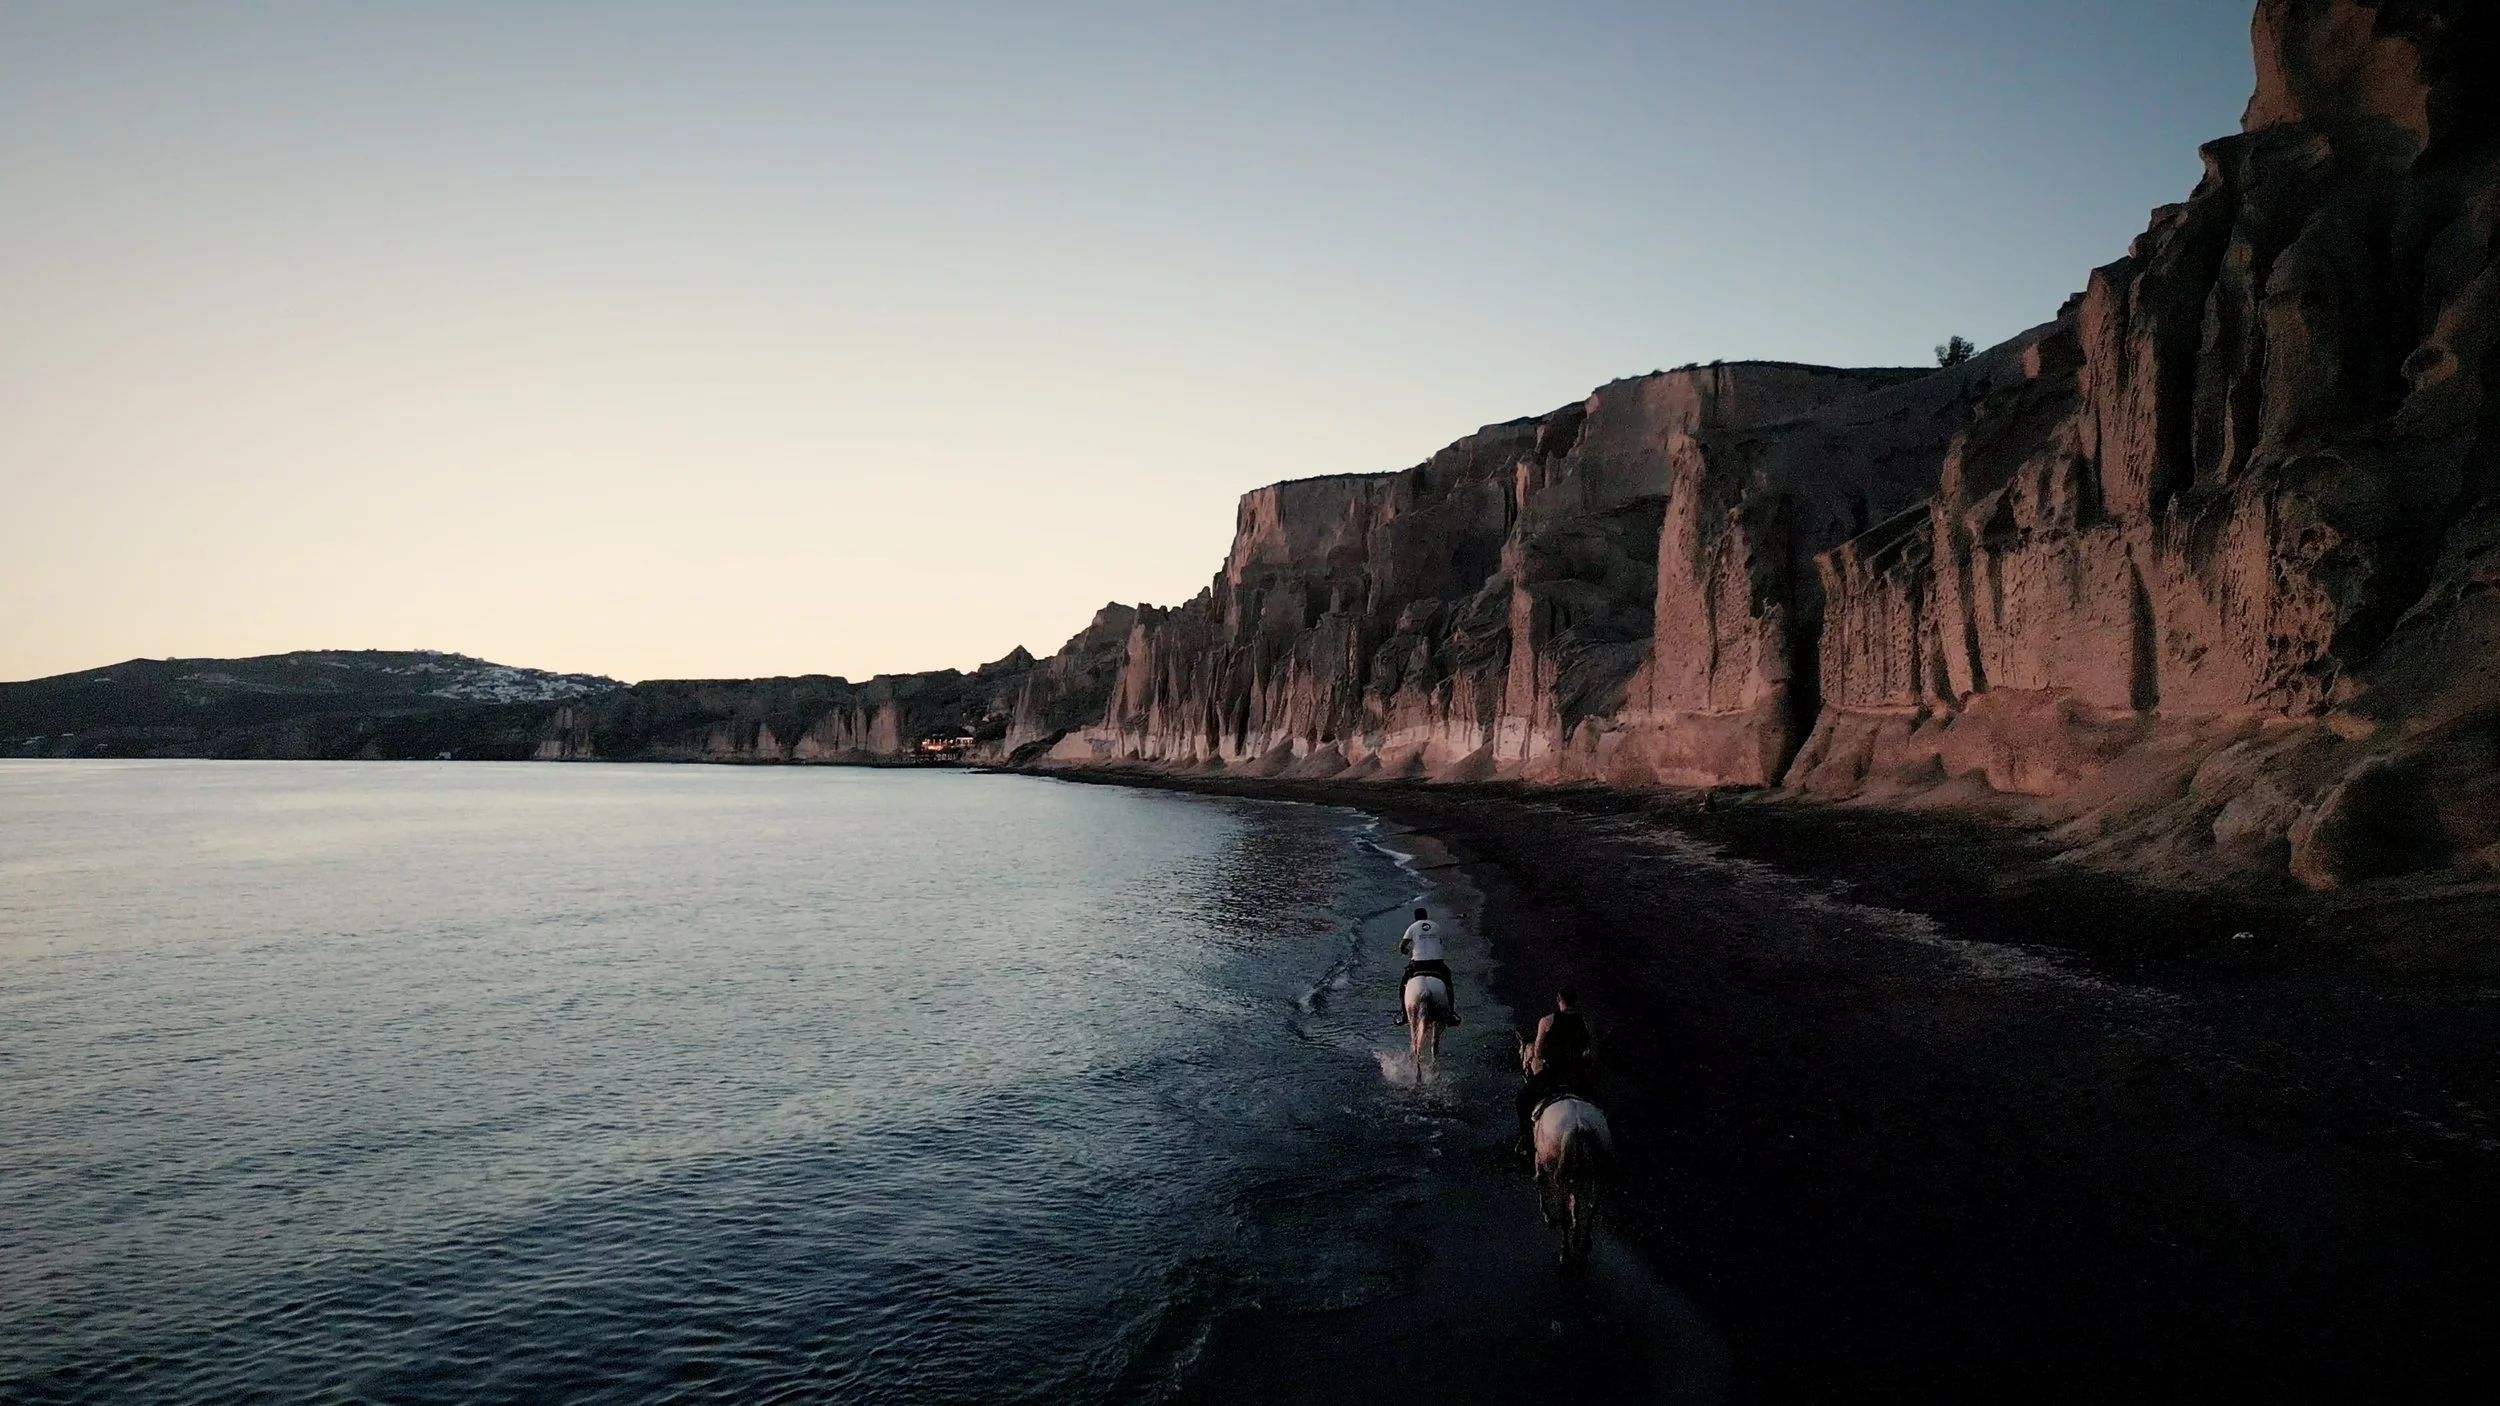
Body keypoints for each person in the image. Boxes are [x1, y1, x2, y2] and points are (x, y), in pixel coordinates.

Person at [1516, 987, 1594, 1147]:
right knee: (1599, 1102)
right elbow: (1592, 1051)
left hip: (1553, 1074)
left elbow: (1537, 1052)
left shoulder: (1546, 1021)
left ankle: (1526, 1140)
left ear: (1559, 1001)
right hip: (1578, 1074)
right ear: (1576, 1002)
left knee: (1522, 1099)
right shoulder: (1587, 1022)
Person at [1396, 906, 1460, 1026]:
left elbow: (1402, 945)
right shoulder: (1435, 926)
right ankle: (1451, 1012)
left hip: (1418, 963)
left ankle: (1404, 1014)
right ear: (1426, 916)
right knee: (1448, 981)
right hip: (1436, 963)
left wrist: (1404, 950)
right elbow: (1440, 942)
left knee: (1403, 984)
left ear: (1415, 917)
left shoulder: (1412, 927)